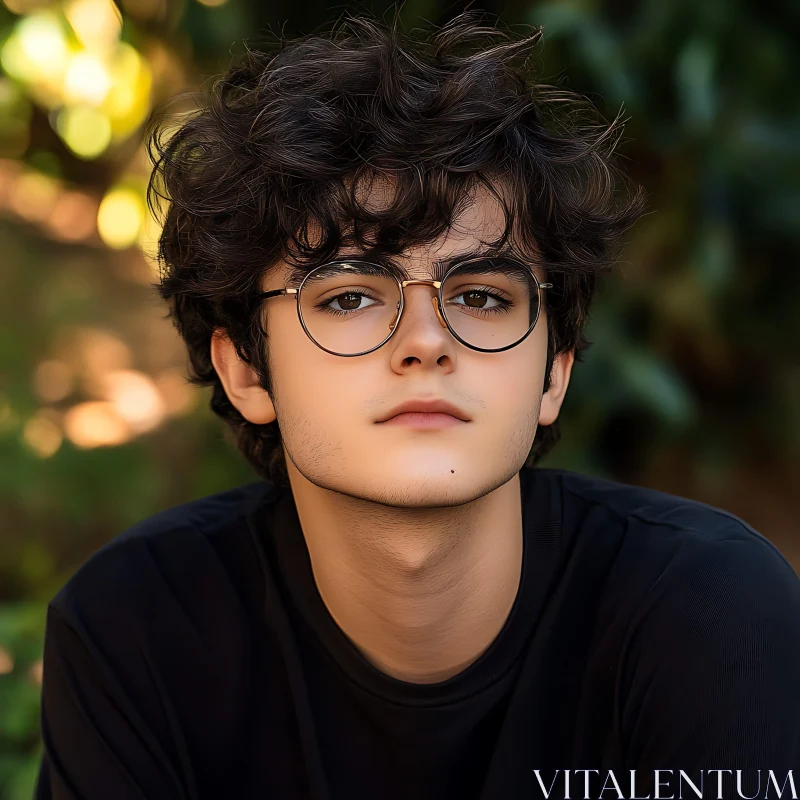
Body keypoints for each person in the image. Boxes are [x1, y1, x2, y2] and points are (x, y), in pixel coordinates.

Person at [34, 11, 800, 800]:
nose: (426, 341)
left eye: (480, 295)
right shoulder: (136, 632)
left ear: (554, 374)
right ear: (246, 373)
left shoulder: (708, 612)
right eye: (350, 297)